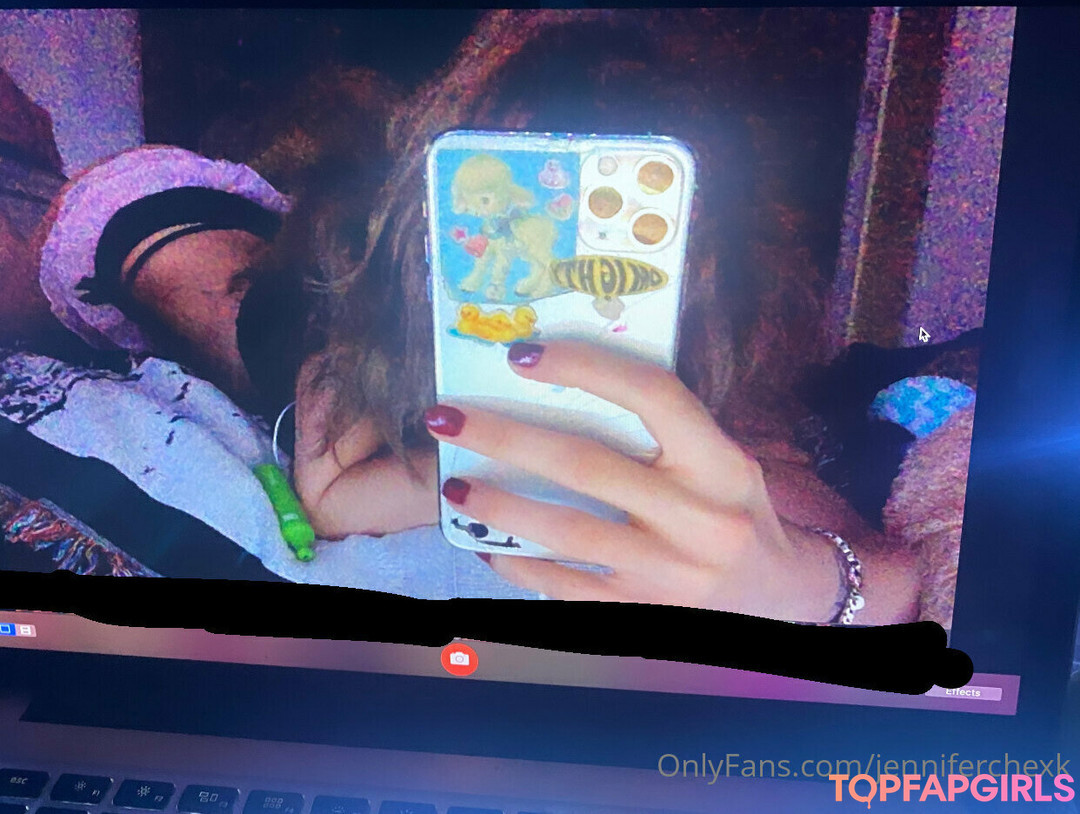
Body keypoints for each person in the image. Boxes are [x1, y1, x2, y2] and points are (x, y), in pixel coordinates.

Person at [291, 9, 930, 624]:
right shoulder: (384, 348)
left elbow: (896, 583)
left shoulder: (729, 418)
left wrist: (811, 584)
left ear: (704, 252)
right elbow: (334, 498)